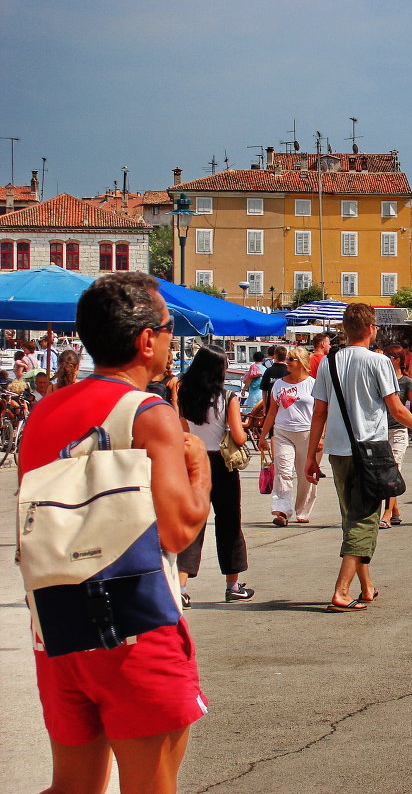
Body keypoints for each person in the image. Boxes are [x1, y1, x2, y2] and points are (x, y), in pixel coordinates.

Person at [18, 271, 211, 793]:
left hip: (56, 625)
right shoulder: (149, 413)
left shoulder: (43, 413)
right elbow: (177, 530)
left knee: (72, 787)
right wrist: (201, 469)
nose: (172, 342)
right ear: (147, 340)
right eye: (171, 330)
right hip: (134, 623)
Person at [305, 304, 412, 612]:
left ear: (345, 330)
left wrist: (311, 456)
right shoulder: (379, 362)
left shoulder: (329, 362)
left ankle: (367, 586)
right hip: (371, 449)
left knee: (352, 517)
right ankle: (340, 590)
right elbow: (397, 409)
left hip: (337, 450)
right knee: (364, 520)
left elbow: (319, 413)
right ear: (371, 328)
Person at [176, 345, 254, 608]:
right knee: (229, 522)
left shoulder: (183, 393)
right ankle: (232, 585)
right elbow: (240, 437)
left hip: (192, 461)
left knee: (192, 524)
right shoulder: (228, 397)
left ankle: (181, 587)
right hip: (221, 464)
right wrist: (240, 427)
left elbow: (182, 428)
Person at [258, 347, 319, 526]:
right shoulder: (279, 384)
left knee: (305, 474)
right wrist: (263, 437)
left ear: (302, 362)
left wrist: (321, 436)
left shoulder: (313, 384)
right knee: (283, 471)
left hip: (307, 433)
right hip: (283, 432)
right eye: (288, 358)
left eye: (292, 359)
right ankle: (282, 510)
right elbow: (271, 412)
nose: (288, 362)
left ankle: (303, 509)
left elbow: (321, 412)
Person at [383, 342, 412, 527]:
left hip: (399, 431)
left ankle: (386, 514)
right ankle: (395, 510)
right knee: (386, 472)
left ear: (398, 360)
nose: (385, 360)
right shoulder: (381, 379)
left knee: (393, 471)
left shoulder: (407, 382)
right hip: (380, 431)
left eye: (389, 357)